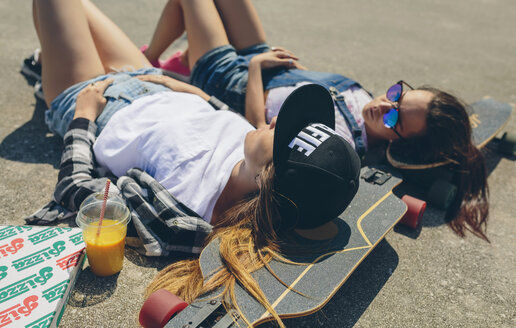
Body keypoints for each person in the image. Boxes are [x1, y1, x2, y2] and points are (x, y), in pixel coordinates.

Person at [30, 1, 361, 326]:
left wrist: (83, 117)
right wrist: (184, 87)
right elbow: (222, 119)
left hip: (95, 101)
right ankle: (48, 58)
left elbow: (80, 193)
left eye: (282, 130)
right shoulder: (254, 154)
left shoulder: (184, 214)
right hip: (153, 80)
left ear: (264, 178)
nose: (274, 121)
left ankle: (48, 63)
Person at [142, 0, 489, 241]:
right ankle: (187, 59)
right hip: (266, 59)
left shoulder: (335, 137)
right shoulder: (369, 104)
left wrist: (254, 69)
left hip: (235, 78)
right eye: (398, 94)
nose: (384, 104)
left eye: (395, 116)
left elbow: (255, 130)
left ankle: (152, 60)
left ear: (401, 142)